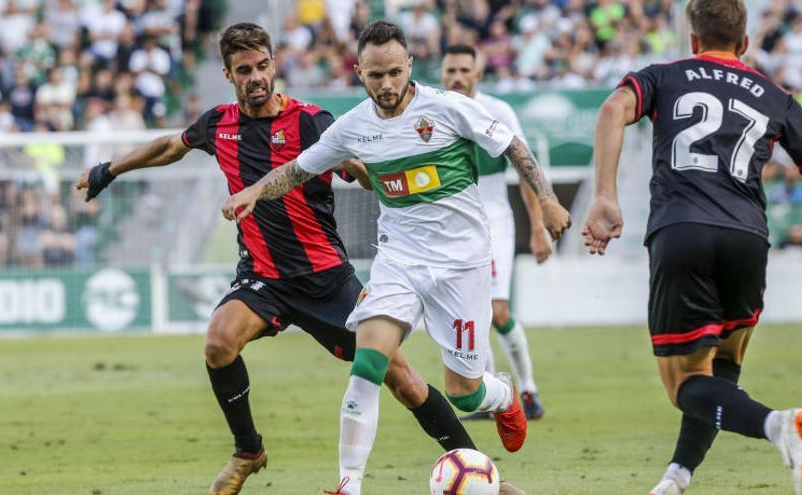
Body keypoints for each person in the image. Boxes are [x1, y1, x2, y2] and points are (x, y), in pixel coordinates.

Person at [77, 22, 514, 495]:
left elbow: (361, 164)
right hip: (264, 279)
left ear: (274, 64)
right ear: (228, 73)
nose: (255, 77)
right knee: (219, 342)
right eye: (244, 70)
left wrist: (373, 175)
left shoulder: (312, 122)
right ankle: (248, 451)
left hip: (327, 279)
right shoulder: (217, 124)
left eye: (262, 66)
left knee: (402, 380)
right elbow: (169, 146)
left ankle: (482, 472)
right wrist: (109, 169)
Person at [221, 20, 571, 495]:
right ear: (358, 72)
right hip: (399, 260)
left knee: (464, 391)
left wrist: (547, 200)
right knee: (369, 361)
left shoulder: (449, 109)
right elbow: (297, 170)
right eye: (374, 76)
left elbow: (511, 144)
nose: (386, 86)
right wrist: (255, 193)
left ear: (409, 65)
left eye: (393, 73)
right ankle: (349, 483)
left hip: (462, 264)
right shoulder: (353, 127)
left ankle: (504, 393)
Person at [582, 1, 802, 495]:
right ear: (745, 43)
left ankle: (776, 424)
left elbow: (612, 109)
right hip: (747, 237)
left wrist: (605, 195)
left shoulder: (664, 75)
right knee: (722, 365)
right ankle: (677, 477)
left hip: (682, 231)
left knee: (685, 385)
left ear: (693, 40)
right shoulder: (775, 96)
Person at [440, 44, 550, 421]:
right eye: (450, 70)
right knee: (470, 313)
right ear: (442, 74)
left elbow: (524, 169)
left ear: (477, 74)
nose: (456, 77)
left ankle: (529, 390)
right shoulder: (433, 112)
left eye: (463, 70)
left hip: (494, 223)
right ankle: (487, 392)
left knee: (498, 311)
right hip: (453, 229)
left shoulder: (498, 111)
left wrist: (537, 228)